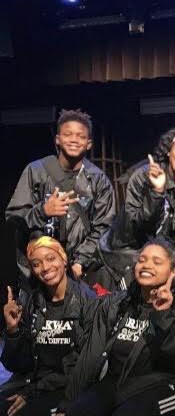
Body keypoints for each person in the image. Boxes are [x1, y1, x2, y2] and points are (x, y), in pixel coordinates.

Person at [44, 238, 175, 416]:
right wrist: (64, 409)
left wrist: (162, 316)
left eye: (157, 262)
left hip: (165, 384)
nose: (146, 265)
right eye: (142, 260)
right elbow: (90, 357)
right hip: (119, 382)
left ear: (172, 272)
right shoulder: (115, 304)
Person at [0, 238, 98, 416]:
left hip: (69, 388)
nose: (45, 268)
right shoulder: (33, 301)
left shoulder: (88, 302)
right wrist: (13, 331)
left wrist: (33, 391)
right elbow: (19, 364)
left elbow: (84, 364)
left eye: (50, 258)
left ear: (63, 259)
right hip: (35, 384)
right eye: (36, 264)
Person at [97, 123, 175, 291]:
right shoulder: (145, 175)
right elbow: (130, 231)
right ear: (169, 150)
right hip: (128, 255)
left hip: (167, 262)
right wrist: (156, 192)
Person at [6, 109, 115, 287]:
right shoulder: (36, 171)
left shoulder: (98, 179)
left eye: (80, 136)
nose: (74, 139)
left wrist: (80, 263)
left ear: (89, 143)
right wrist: (42, 211)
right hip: (38, 274)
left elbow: (104, 228)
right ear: (57, 139)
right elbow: (13, 219)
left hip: (81, 275)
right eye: (68, 134)